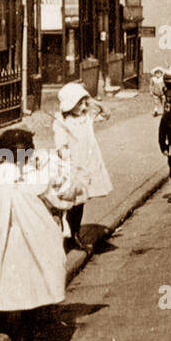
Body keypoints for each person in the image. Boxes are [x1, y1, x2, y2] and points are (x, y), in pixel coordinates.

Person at [0, 127, 84, 341]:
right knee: (31, 282)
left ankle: (2, 318)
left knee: (3, 277)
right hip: (33, 238)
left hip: (1, 238)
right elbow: (60, 199)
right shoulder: (35, 178)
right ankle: (25, 335)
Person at [52, 82, 113, 252]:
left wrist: (93, 101)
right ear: (70, 104)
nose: (83, 106)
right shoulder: (62, 123)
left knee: (80, 203)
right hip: (73, 166)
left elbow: (107, 114)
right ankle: (68, 237)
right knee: (69, 203)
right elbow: (61, 146)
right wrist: (67, 166)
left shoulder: (85, 118)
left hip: (88, 165)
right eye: (80, 103)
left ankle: (75, 234)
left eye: (84, 102)